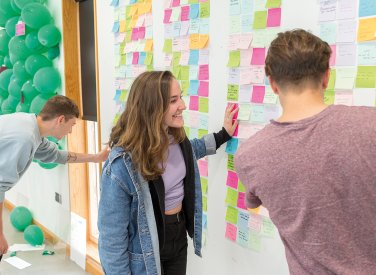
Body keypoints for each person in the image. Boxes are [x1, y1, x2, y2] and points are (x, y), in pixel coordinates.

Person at [234, 29, 376, 274]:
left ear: (272, 84)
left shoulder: (249, 156)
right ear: (326, 77)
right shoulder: (370, 125)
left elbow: (254, 205)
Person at [98, 70, 238, 275]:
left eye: (180, 97)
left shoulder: (175, 138)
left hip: (177, 235)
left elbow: (193, 150)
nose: (183, 105)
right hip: (146, 246)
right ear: (152, 106)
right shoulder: (122, 164)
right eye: (173, 100)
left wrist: (223, 134)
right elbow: (112, 239)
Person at [0, 95, 109, 258]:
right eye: (71, 125)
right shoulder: (25, 138)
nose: (70, 131)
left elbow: (56, 155)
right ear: (60, 120)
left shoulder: (31, 127)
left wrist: (95, 158)